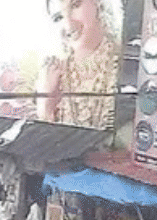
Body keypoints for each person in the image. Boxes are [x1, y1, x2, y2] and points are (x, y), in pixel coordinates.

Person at [36, 0, 121, 128]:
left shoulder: (126, 62)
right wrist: (46, 107)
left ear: (98, 3)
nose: (68, 24)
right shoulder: (51, 74)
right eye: (58, 17)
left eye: (75, 5)